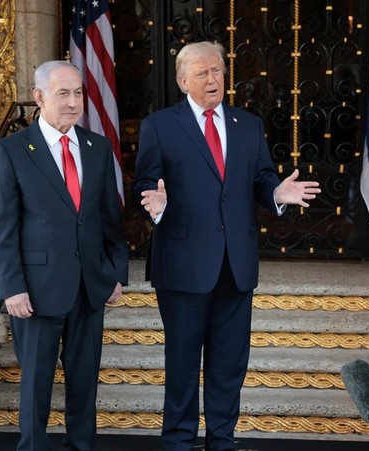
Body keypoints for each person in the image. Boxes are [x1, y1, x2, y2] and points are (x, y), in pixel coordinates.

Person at [133, 41, 320, 451]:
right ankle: (178, 442)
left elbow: (262, 178)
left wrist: (277, 194)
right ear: (183, 81)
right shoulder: (160, 126)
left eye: (217, 71)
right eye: (202, 73)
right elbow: (145, 182)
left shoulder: (247, 125)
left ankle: (222, 441)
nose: (212, 79)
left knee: (229, 365)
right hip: (182, 266)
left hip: (235, 265)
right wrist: (156, 203)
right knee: (183, 364)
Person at [0, 60, 129, 451]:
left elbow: (109, 219)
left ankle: (81, 446)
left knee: (84, 382)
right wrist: (12, 287)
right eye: (63, 93)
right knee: (36, 383)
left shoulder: (97, 147)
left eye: (78, 93)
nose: (73, 102)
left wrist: (115, 272)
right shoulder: (12, 150)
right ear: (39, 97)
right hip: (36, 291)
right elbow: (2, 228)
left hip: (90, 287)